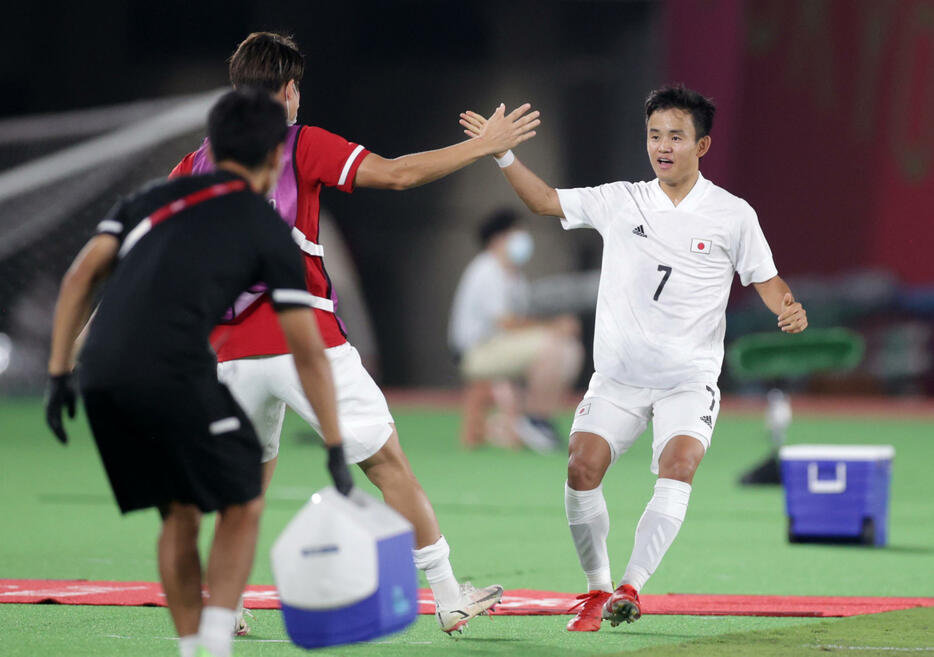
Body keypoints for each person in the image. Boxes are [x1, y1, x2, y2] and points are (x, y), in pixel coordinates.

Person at [169, 32, 539, 634]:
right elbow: (396, 175)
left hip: (229, 353)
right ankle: (448, 594)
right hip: (303, 339)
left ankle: (226, 606)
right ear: (288, 90)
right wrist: (484, 147)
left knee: (245, 485)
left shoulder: (197, 161)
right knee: (388, 464)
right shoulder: (301, 142)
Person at [459, 84, 808, 631]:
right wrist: (500, 152)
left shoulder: (732, 214)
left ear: (703, 145)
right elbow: (544, 200)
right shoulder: (620, 199)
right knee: (580, 467)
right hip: (619, 379)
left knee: (680, 464)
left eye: (675, 136)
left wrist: (787, 306)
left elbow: (764, 279)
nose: (662, 146)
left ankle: (631, 586)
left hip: (687, 382)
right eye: (653, 135)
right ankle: (598, 588)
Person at [44, 88, 354, 657]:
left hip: (103, 378)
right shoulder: (265, 228)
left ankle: (195, 648)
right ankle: (211, 646)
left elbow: (78, 279)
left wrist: (61, 372)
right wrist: (334, 441)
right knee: (244, 502)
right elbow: (308, 352)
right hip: (171, 372)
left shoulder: (147, 198)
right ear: (274, 158)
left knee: (178, 513)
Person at [448, 208, 583, 451]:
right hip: (476, 352)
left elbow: (518, 322)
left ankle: (538, 418)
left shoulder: (514, 275)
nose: (523, 238)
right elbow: (506, 323)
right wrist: (553, 326)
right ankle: (531, 420)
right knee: (552, 345)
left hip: (499, 347)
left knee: (569, 348)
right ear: (498, 238)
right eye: (517, 232)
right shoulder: (486, 269)